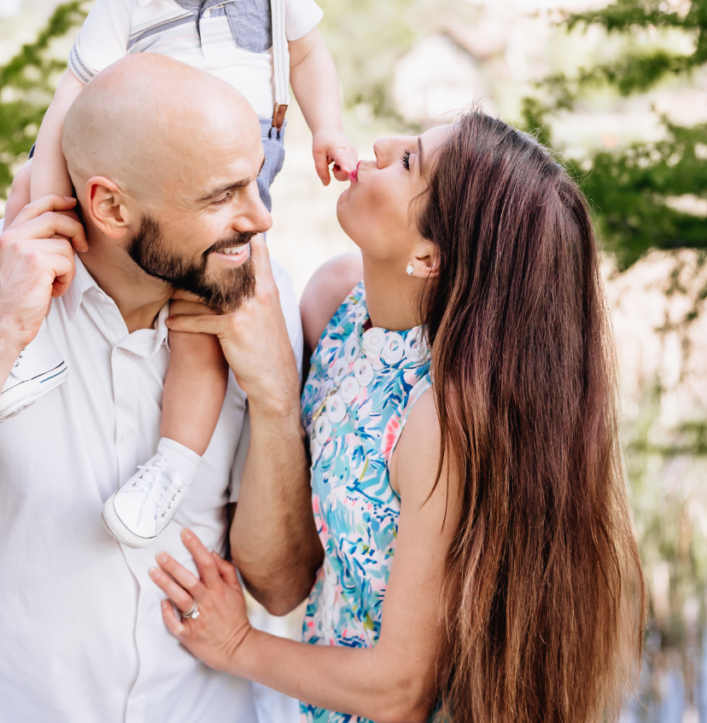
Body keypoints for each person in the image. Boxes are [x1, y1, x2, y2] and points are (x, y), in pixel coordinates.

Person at [0, 54, 323, 723]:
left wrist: (278, 400)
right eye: (221, 195)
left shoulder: (258, 294)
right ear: (109, 204)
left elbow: (281, 589)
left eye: (256, 181)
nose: (260, 218)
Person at [150, 111, 646, 723]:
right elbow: (294, 565)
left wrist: (237, 644)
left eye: (409, 161)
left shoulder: (443, 422)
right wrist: (272, 396)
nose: (381, 145)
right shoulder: (333, 304)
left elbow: (400, 688)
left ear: (428, 257)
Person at [0, 0, 359, 549]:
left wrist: (327, 124)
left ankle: (172, 465)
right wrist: (44, 184)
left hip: (242, 165)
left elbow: (307, 53)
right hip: (153, 166)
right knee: (53, 230)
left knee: (205, 318)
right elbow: (75, 95)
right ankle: (23, 357)